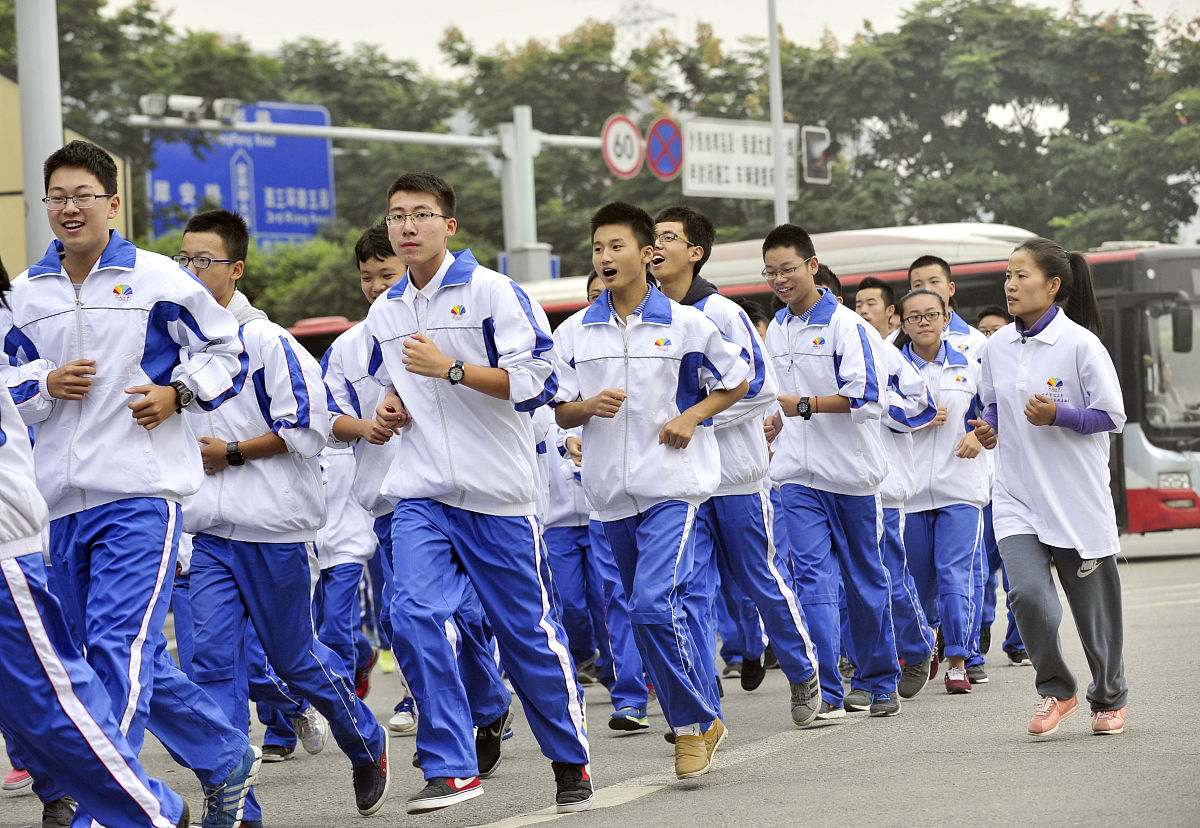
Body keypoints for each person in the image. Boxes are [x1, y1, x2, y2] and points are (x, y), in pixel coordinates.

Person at [0, 140, 259, 828]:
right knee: (90, 662)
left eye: (83, 195)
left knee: (118, 650)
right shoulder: (24, 295)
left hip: (141, 495)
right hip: (54, 504)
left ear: (113, 204)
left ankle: (106, 811)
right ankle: (224, 753)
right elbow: (4, 386)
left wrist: (178, 393)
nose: (69, 208)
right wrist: (42, 384)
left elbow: (228, 352)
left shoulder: (157, 280)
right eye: (57, 197)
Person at [366, 172, 591, 814]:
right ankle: (451, 764)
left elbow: (539, 378)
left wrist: (452, 369)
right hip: (422, 491)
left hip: (497, 496)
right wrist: (390, 406)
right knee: (410, 616)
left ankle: (570, 760)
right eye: (397, 216)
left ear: (448, 226)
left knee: (524, 636)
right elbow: (400, 383)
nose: (407, 226)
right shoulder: (385, 310)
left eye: (420, 214)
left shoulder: (492, 292)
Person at [176, 209, 390, 821]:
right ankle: (238, 800)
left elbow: (309, 428)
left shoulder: (269, 343)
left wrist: (234, 451)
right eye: (183, 261)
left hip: (270, 530)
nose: (190, 271)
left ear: (235, 270)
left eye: (203, 261)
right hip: (208, 533)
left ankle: (364, 741)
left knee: (295, 658)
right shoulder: (171, 346)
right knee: (211, 664)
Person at [555, 201, 749, 781]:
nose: (605, 258)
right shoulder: (574, 332)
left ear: (648, 254)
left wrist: (693, 417)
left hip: (672, 484)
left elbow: (738, 379)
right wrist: (585, 409)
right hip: (610, 494)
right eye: (597, 249)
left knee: (649, 603)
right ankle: (702, 718)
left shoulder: (687, 324)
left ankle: (690, 724)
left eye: (617, 247)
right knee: (645, 616)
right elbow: (559, 410)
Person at [651, 204, 821, 726]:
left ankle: (802, 669)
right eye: (652, 238)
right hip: (681, 485)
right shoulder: (649, 315)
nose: (655, 247)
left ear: (695, 253)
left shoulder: (722, 313)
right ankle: (704, 709)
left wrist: (697, 420)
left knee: (759, 581)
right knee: (691, 591)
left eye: (668, 238)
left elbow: (761, 389)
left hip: (736, 478)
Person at [970, 237, 1129, 737]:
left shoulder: (1081, 344)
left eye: (1021, 276)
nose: (1010, 285)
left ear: (1053, 285)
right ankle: (1056, 690)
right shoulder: (996, 345)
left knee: (1094, 617)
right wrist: (990, 426)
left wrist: (1059, 414)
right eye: (1008, 275)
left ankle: (1109, 695)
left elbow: (1112, 415)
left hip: (1073, 498)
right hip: (1016, 495)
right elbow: (992, 401)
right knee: (1028, 597)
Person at [762, 224, 902, 718]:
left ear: (812, 266)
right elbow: (772, 394)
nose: (780, 279)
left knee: (865, 581)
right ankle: (827, 691)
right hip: (798, 476)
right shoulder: (776, 328)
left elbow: (864, 396)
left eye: (788, 269)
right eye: (771, 271)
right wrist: (774, 422)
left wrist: (800, 406)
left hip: (852, 474)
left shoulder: (849, 325)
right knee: (812, 583)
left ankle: (880, 679)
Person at [896, 289, 991, 694]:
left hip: (960, 487)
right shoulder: (894, 368)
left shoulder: (970, 365)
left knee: (955, 575)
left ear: (946, 316)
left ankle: (957, 660)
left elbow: (995, 410)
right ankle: (925, 642)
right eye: (914, 317)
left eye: (931, 315)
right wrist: (913, 420)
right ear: (901, 324)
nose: (923, 322)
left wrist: (982, 435)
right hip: (911, 492)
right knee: (917, 582)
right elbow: (877, 414)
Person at [974, 303, 1029, 666]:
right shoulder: (974, 370)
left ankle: (1020, 641)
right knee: (981, 571)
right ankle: (979, 629)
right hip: (979, 490)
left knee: (1017, 576)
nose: (989, 337)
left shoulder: (1018, 369)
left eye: (996, 329)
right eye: (984, 331)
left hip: (1012, 485)